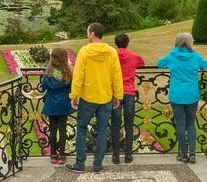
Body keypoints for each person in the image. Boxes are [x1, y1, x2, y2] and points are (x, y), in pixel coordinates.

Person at [66, 23, 123, 173]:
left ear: (91, 34)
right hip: (105, 97)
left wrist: (74, 95)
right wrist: (117, 95)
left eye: (87, 32)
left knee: (82, 128)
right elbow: (116, 75)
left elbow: (78, 75)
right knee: (102, 131)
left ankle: (80, 163)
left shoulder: (85, 51)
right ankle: (98, 165)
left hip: (88, 96)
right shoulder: (111, 52)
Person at [156, 33, 207, 163]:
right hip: (192, 95)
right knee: (191, 124)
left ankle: (183, 153)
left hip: (177, 95)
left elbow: (159, 63)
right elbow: (205, 65)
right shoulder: (195, 56)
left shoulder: (172, 56)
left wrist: (172, 53)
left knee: (180, 123)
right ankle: (192, 153)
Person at [111, 33, 146, 164]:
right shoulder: (134, 56)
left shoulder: (112, 56)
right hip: (129, 92)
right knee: (129, 124)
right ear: (127, 43)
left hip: (115, 93)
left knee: (115, 124)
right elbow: (142, 63)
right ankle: (128, 155)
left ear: (116, 43)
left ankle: (115, 156)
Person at [41, 48, 74, 165]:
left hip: (51, 104)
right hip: (64, 104)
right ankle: (62, 155)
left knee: (53, 130)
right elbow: (71, 86)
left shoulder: (49, 72)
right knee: (62, 130)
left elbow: (43, 86)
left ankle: (53, 154)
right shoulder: (67, 73)